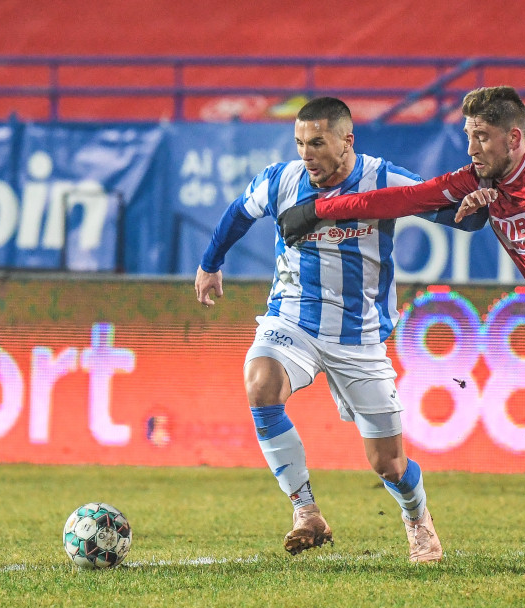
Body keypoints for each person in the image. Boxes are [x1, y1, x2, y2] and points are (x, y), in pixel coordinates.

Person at [278, 86, 525, 573]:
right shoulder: (475, 181)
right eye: (468, 135)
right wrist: (318, 211)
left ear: (513, 137)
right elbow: (400, 199)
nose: (471, 148)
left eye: (482, 137)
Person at [195, 96, 486, 563]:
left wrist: (473, 206)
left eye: (316, 143)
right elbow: (238, 213)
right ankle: (305, 510)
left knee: (388, 464)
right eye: (299, 143)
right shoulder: (281, 180)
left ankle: (418, 521)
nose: (305, 154)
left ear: (347, 141)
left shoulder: (383, 179)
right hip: (294, 319)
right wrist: (210, 264)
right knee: (261, 383)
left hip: (360, 336)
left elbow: (449, 211)